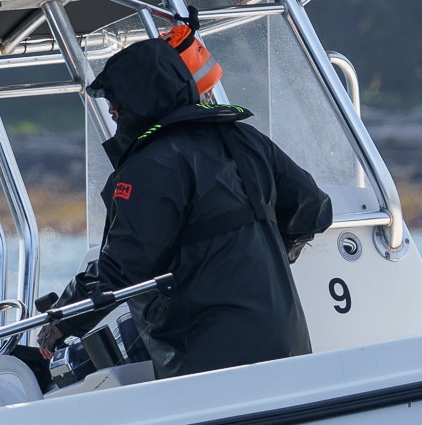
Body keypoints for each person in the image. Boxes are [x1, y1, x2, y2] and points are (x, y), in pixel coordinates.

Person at [43, 37, 333, 378]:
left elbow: (120, 269)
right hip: (287, 347)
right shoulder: (246, 139)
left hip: (211, 364)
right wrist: (274, 251)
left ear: (140, 95)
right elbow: (314, 209)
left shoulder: (150, 166)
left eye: (115, 99)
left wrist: (62, 319)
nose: (111, 110)